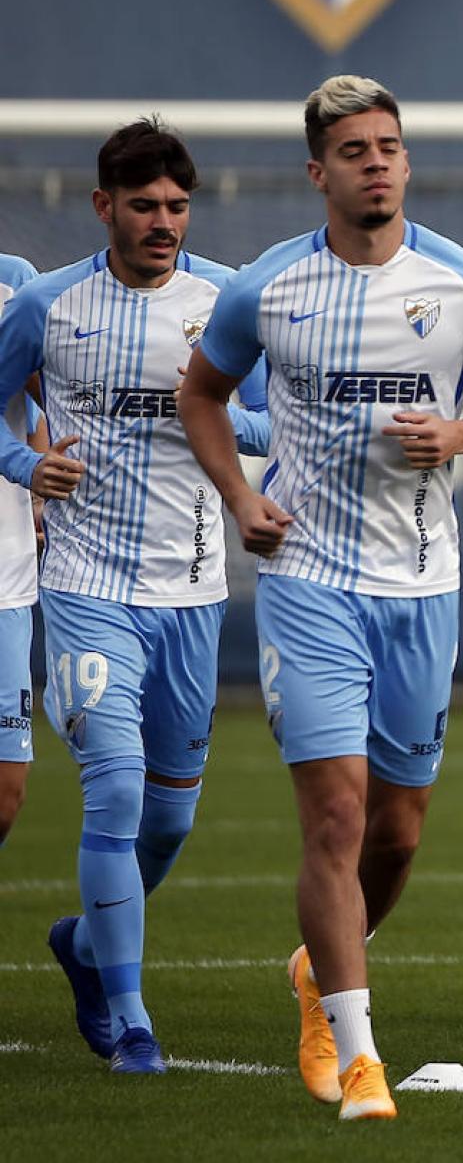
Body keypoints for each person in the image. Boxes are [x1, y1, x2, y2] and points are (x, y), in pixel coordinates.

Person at [182, 75, 463, 1118]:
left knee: (397, 832)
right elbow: (201, 395)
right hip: (307, 580)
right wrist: (237, 494)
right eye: (354, 150)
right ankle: (358, 1054)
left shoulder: (462, 283)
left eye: (389, 145)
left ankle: (316, 966)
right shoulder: (267, 289)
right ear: (318, 171)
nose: (377, 162)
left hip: (423, 580)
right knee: (336, 813)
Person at [0, 120, 270, 1074]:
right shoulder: (45, 303)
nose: (163, 223)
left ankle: (81, 946)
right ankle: (131, 1022)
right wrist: (23, 462)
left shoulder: (229, 302)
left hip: (194, 592)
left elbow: (279, 417)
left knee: (169, 820)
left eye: (177, 206)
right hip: (82, 588)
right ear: (103, 205)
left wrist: (238, 423)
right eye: (145, 205)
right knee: (113, 789)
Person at [0, 252, 37, 852]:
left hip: (4, 577)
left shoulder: (16, 282)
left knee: (6, 792)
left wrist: (38, 478)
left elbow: (46, 394)